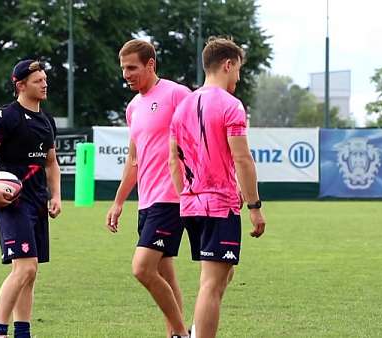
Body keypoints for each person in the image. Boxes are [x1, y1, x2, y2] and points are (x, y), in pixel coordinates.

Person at [169, 37, 266, 338]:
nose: (238, 77)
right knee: (211, 284)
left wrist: (185, 196)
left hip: (191, 205)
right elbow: (243, 159)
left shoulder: (182, 106)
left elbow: (173, 161)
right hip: (219, 206)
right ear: (228, 64)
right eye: (238, 70)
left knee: (221, 275)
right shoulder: (230, 105)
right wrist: (255, 207)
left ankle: (198, 330)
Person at [106, 39, 192, 338]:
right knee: (166, 276)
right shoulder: (133, 108)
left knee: (142, 268)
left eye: (132, 67)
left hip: (171, 199)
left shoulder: (177, 94)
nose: (126, 74)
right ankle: (175, 333)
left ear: (150, 64)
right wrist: (118, 202)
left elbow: (198, 139)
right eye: (123, 69)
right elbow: (134, 159)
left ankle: (182, 333)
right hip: (147, 203)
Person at [0, 59, 61, 338]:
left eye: (45, 79)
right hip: (13, 202)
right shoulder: (7, 116)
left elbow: (51, 162)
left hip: (37, 202)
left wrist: (56, 195)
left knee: (30, 273)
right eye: (38, 81)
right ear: (20, 85)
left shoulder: (46, 120)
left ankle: (23, 332)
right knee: (24, 268)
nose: (44, 84)